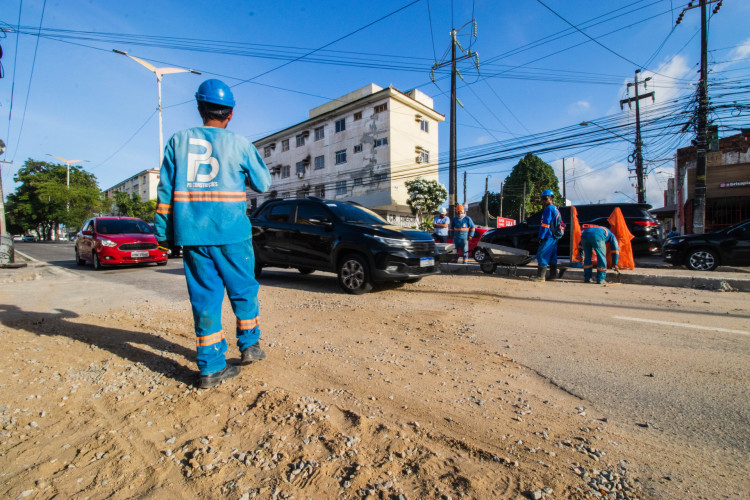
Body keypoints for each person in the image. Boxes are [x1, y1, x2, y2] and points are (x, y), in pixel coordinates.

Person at [154, 79, 272, 389]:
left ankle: (210, 368)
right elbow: (263, 183)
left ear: (199, 108)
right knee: (244, 289)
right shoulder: (239, 144)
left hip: (192, 235)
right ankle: (249, 346)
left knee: (204, 299)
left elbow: (164, 191)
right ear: (230, 113)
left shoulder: (177, 142)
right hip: (232, 232)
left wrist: (162, 233)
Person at [532, 189, 562, 282]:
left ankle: (541, 277)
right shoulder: (555, 208)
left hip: (548, 236)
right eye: (543, 199)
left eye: (545, 198)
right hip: (554, 237)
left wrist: (541, 236)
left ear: (551, 198)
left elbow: (545, 224)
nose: (544, 201)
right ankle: (553, 276)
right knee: (553, 256)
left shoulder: (548, 209)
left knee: (541, 254)